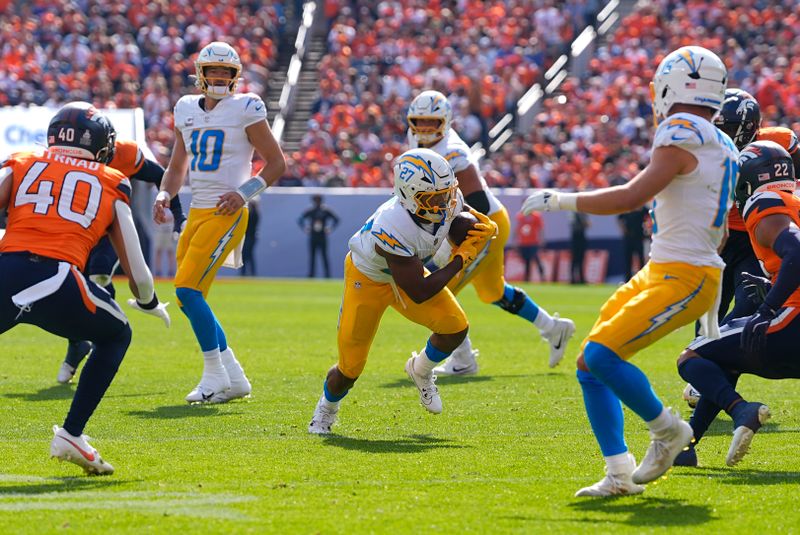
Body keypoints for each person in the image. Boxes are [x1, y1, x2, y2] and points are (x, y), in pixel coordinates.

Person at [522, 46, 738, 496]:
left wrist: (563, 199)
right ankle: (619, 474)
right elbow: (716, 233)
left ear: (670, 85)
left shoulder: (681, 130)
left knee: (602, 356)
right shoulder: (722, 142)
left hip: (684, 274)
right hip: (669, 269)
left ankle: (668, 431)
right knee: (588, 363)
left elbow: (630, 197)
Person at [0, 102, 169, 474]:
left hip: (6, 266)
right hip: (57, 278)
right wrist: (148, 301)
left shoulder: (21, 160)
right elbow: (137, 270)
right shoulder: (111, 179)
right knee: (117, 334)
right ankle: (72, 433)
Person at [308, 148, 497, 434]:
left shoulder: (446, 196)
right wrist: (461, 258)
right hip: (369, 280)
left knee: (455, 328)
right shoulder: (392, 225)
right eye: (435, 198)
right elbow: (419, 291)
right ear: (410, 196)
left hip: (408, 270)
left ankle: (420, 369)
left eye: (447, 193)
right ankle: (326, 409)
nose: (445, 202)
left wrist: (483, 223)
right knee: (350, 369)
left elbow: (462, 210)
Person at [153, 41, 286, 403]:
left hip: (227, 211)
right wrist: (165, 194)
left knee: (186, 291)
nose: (219, 77)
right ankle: (235, 377)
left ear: (235, 76)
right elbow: (177, 165)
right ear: (201, 74)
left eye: (226, 72)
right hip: (197, 210)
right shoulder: (185, 109)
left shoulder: (246, 107)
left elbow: (276, 163)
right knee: (188, 298)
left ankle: (214, 375)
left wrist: (244, 193)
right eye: (213, 70)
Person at [407, 90, 575, 375]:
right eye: (418, 121)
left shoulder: (454, 152)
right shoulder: (417, 140)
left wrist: (445, 234)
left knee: (439, 291)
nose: (423, 129)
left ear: (444, 122)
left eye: (430, 122)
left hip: (479, 224)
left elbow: (479, 203)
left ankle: (462, 361)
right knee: (493, 292)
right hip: (478, 221)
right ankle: (553, 327)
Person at [676, 141, 800, 467]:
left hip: (793, 323)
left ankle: (740, 410)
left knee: (693, 356)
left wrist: (770, 305)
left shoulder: (765, 202)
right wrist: (774, 284)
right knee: (725, 357)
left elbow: (797, 253)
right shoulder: (793, 201)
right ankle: (686, 446)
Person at [56, 126, 186, 384]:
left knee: (100, 274)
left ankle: (104, 336)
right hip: (78, 230)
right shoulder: (61, 160)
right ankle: (76, 346)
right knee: (67, 286)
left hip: (112, 227)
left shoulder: (124, 153)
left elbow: (159, 174)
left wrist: (178, 215)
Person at [298, 194, 339, 278]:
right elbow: (300, 219)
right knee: (312, 256)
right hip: (313, 236)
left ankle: (327, 275)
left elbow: (336, 219)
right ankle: (311, 275)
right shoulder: (311, 210)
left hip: (322, 236)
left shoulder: (325, 210)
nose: (317, 202)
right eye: (315, 200)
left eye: (318, 200)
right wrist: (305, 228)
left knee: (324, 256)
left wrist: (330, 228)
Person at [617, 206, 649, 282]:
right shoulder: (627, 207)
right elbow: (620, 218)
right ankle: (627, 280)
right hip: (628, 237)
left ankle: (642, 279)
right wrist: (623, 229)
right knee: (628, 259)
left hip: (639, 237)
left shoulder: (643, 208)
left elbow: (649, 216)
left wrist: (647, 227)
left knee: (641, 259)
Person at [515, 211, 545, 281]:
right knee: (526, 261)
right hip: (523, 242)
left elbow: (541, 228)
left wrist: (542, 239)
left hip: (533, 242)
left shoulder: (536, 216)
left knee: (536, 258)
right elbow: (517, 228)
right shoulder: (520, 216)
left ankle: (542, 276)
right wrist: (515, 240)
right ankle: (527, 278)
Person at [241, 197, 260, 277]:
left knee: (246, 255)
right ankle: (249, 272)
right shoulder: (254, 213)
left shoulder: (253, 214)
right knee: (247, 255)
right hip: (249, 236)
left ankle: (247, 272)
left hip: (250, 237)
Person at [569, 211, 589, 284]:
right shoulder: (578, 213)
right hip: (578, 236)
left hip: (577, 236)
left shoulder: (574, 213)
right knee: (577, 259)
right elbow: (587, 224)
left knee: (578, 259)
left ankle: (577, 278)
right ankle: (576, 278)